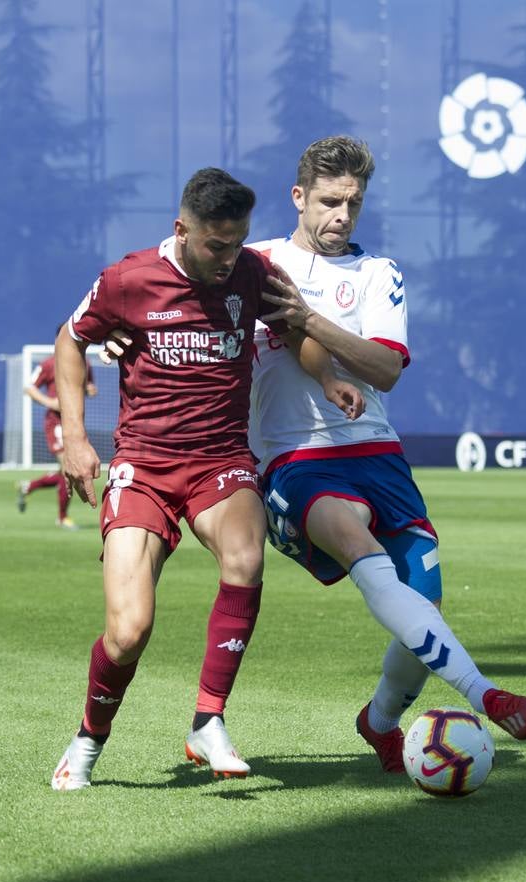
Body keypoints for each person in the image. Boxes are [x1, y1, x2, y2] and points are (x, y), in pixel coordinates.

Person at [51, 167, 363, 791]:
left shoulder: (251, 272)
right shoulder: (127, 279)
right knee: (129, 631)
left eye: (237, 241)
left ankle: (208, 719)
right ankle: (88, 738)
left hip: (220, 458)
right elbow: (70, 338)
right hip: (144, 465)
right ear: (182, 230)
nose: (227, 258)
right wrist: (77, 439)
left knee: (246, 560)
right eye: (215, 245)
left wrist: (326, 378)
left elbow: (294, 329)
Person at [248, 135, 526, 771]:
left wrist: (310, 318)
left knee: (424, 607)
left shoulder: (378, 273)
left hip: (379, 454)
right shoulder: (256, 263)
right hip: (295, 456)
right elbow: (178, 282)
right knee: (357, 543)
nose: (342, 215)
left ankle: (379, 723)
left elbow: (384, 369)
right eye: (330, 201)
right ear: (299, 197)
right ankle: (488, 696)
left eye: (354, 203)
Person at [17, 324, 97, 530]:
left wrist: (89, 390)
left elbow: (86, 387)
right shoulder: (49, 364)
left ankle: (29, 486)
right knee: (67, 468)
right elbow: (29, 388)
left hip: (74, 421)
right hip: (56, 423)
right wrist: (50, 402)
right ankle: (62, 518)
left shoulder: (85, 363)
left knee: (65, 470)